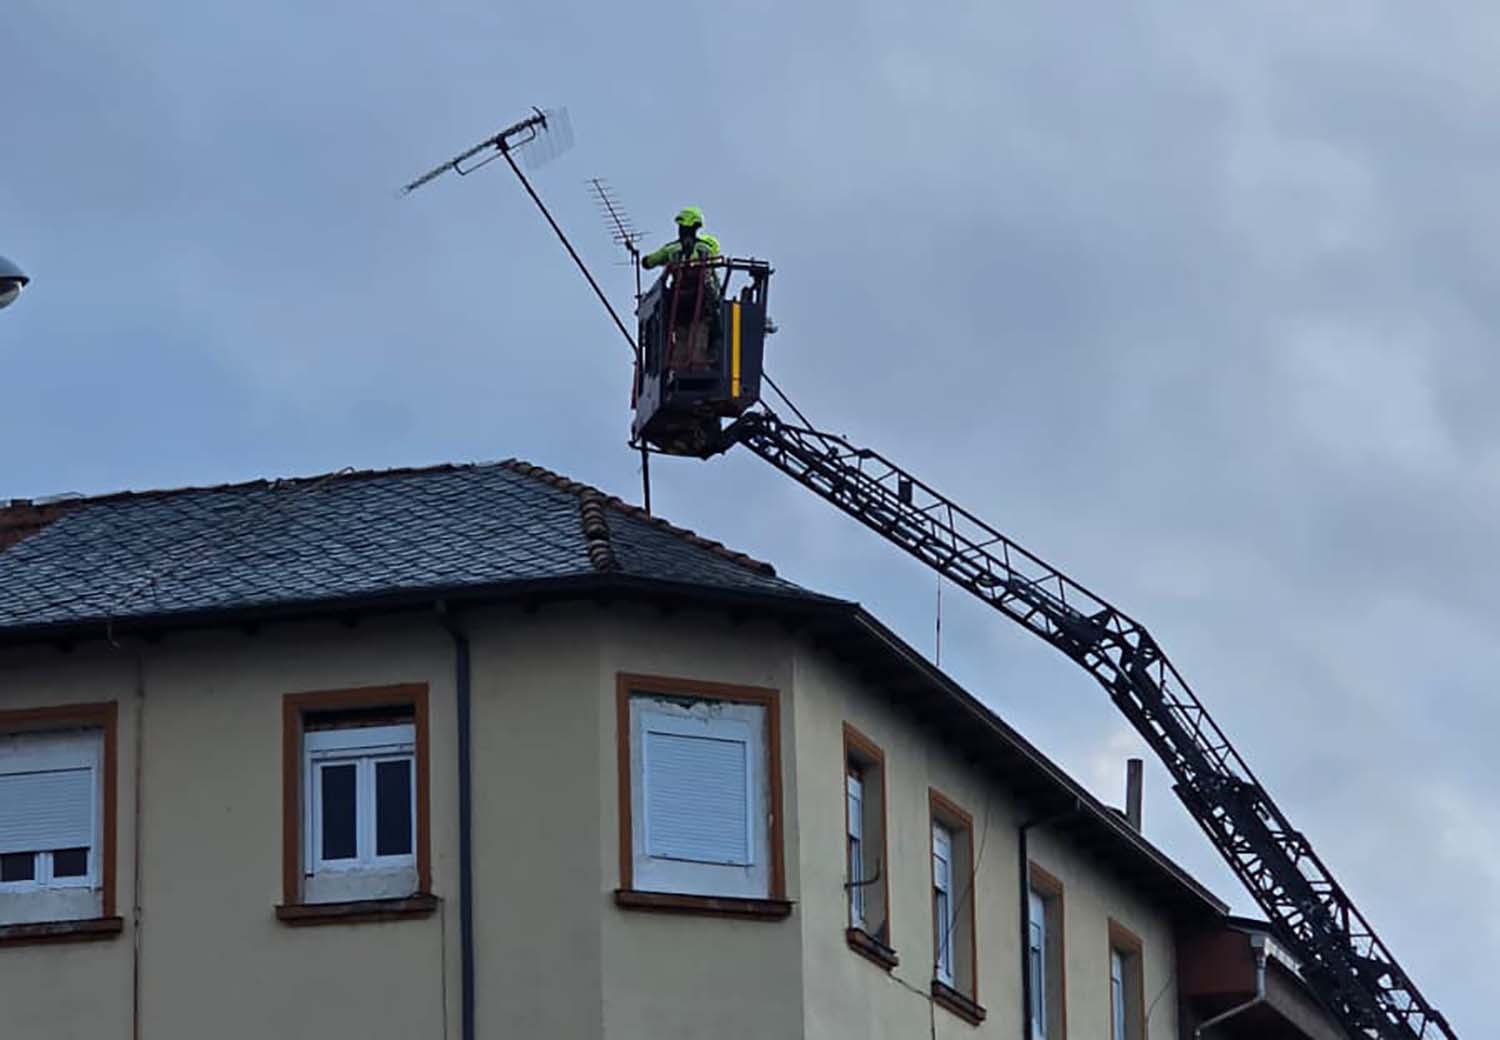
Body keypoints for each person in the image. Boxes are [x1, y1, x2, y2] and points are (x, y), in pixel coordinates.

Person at [643, 207, 723, 369]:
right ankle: (697, 369)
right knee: (698, 345)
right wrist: (718, 298)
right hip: (700, 306)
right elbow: (714, 278)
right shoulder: (705, 249)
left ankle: (678, 371)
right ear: (696, 227)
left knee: (681, 345)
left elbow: (648, 262)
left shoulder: (671, 249)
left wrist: (646, 260)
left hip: (679, 304)